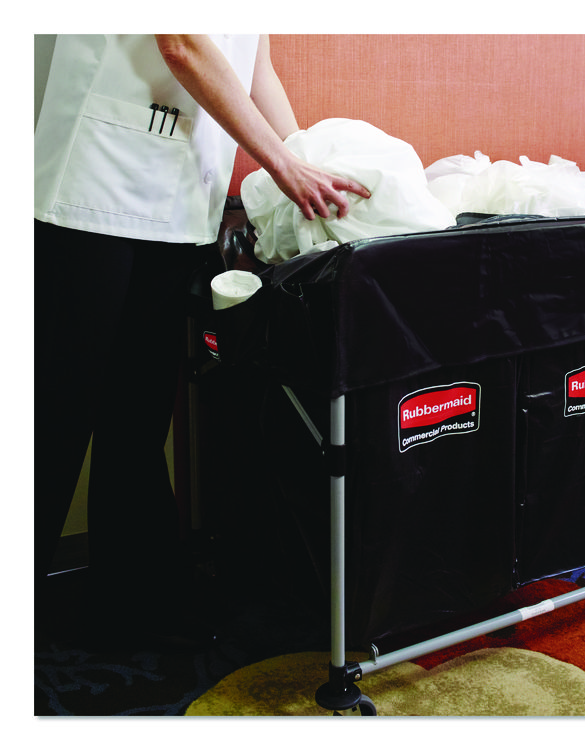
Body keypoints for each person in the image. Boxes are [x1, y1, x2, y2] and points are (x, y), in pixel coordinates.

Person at [34, 34, 370, 647]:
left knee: (137, 418)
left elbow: (255, 64)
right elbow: (182, 43)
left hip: (178, 203)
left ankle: (131, 605)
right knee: (52, 418)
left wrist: (305, 156)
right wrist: (284, 165)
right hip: (89, 188)